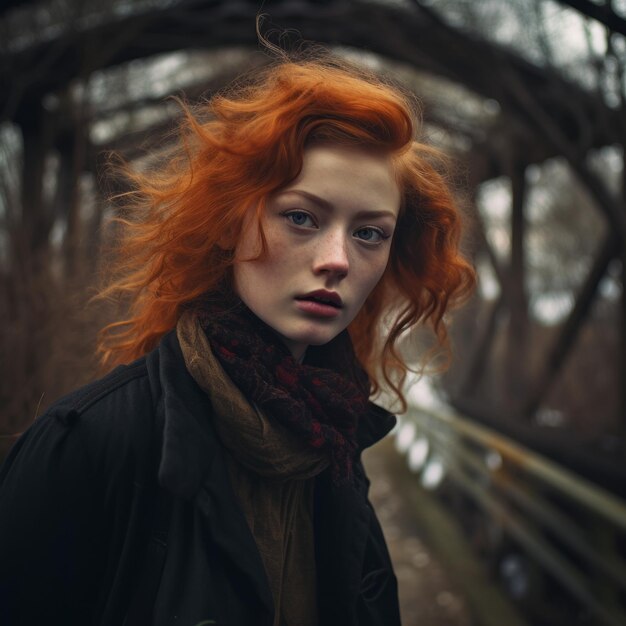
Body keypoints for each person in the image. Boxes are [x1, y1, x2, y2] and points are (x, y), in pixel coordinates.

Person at [0, 50, 475, 626]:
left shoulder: (331, 441)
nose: (337, 261)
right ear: (230, 222)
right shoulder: (88, 444)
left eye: (370, 233)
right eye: (301, 217)